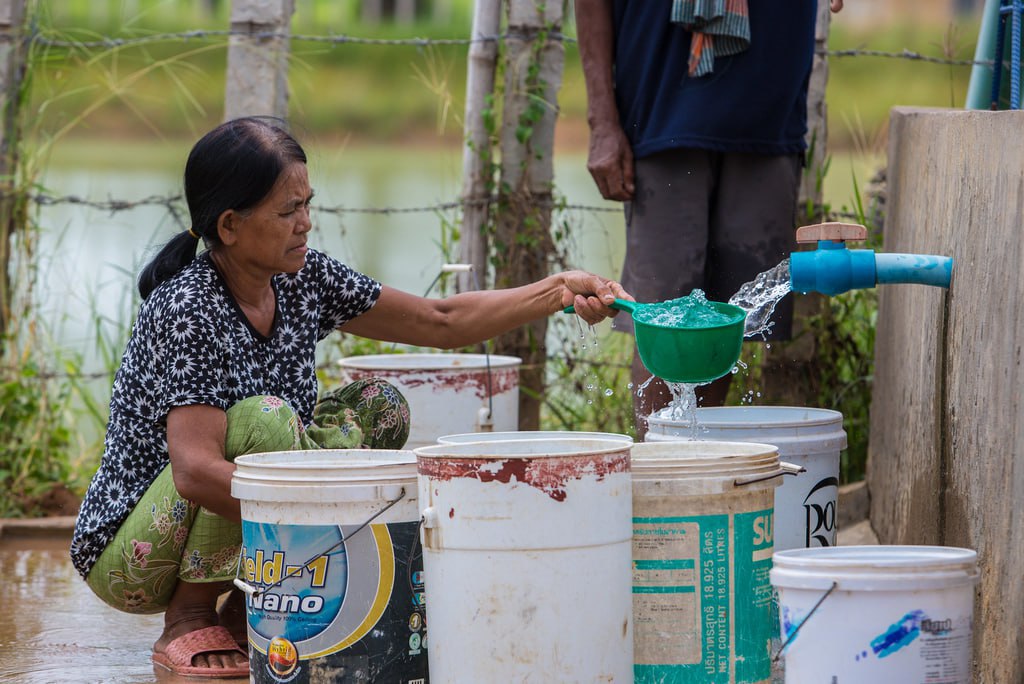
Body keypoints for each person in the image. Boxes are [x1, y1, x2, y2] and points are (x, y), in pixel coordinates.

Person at [69, 116, 630, 678]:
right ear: (231, 225)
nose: (305, 224)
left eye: (307, 204)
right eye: (288, 211)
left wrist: (557, 290)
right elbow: (194, 472)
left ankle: (250, 605)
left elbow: (439, 320)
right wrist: (325, 518)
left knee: (379, 407)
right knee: (264, 424)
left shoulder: (302, 277)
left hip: (240, 513)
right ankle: (189, 615)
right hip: (137, 554)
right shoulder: (189, 307)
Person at [575, 0, 844, 438]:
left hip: (767, 109)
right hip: (663, 105)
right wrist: (602, 119)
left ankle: (698, 476)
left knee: (725, 321)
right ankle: (655, 478)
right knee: (665, 321)